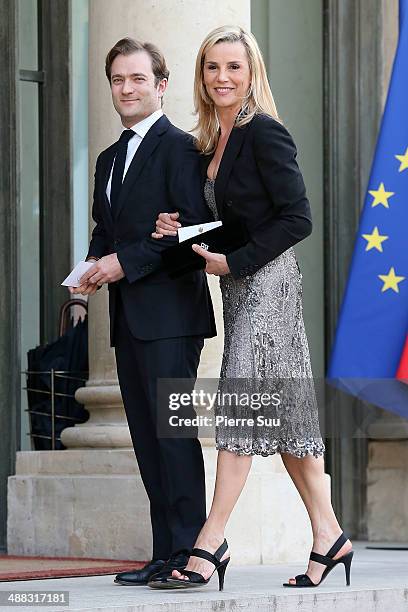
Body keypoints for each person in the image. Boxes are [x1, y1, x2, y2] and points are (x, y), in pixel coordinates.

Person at [149, 25, 353, 591]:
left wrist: (234, 263)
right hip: (238, 287)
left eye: (233, 67)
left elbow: (298, 217)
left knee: (242, 407)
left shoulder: (265, 132)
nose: (222, 78)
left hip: (267, 285)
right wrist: (179, 229)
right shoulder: (212, 139)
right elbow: (234, 219)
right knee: (285, 419)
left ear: (252, 72)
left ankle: (209, 541)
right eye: (213, 67)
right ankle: (329, 536)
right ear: (202, 74)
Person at [69, 37, 216, 586]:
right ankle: (164, 553)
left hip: (173, 317)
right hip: (128, 317)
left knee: (174, 435)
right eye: (117, 80)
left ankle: (190, 554)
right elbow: (105, 232)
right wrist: (87, 275)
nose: (126, 89)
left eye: (137, 79)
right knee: (147, 439)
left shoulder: (181, 148)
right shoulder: (109, 158)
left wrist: (122, 264)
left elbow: (192, 232)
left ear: (161, 85)